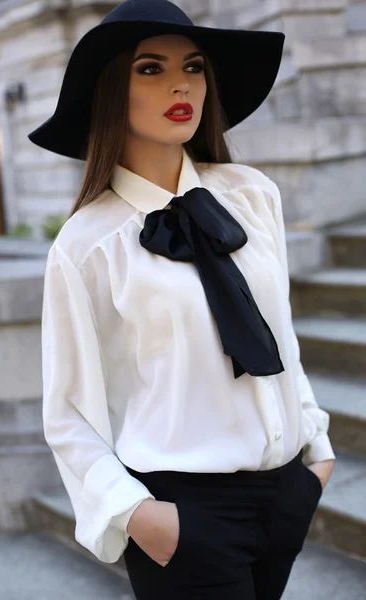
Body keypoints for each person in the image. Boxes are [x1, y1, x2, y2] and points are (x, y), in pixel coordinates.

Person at [28, 1, 336, 598]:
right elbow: (67, 413)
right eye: (150, 68)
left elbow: (279, 336)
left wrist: (316, 455)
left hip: (284, 493)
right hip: (184, 515)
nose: (180, 84)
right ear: (111, 92)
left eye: (193, 67)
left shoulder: (251, 195)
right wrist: (139, 515)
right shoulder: (86, 245)